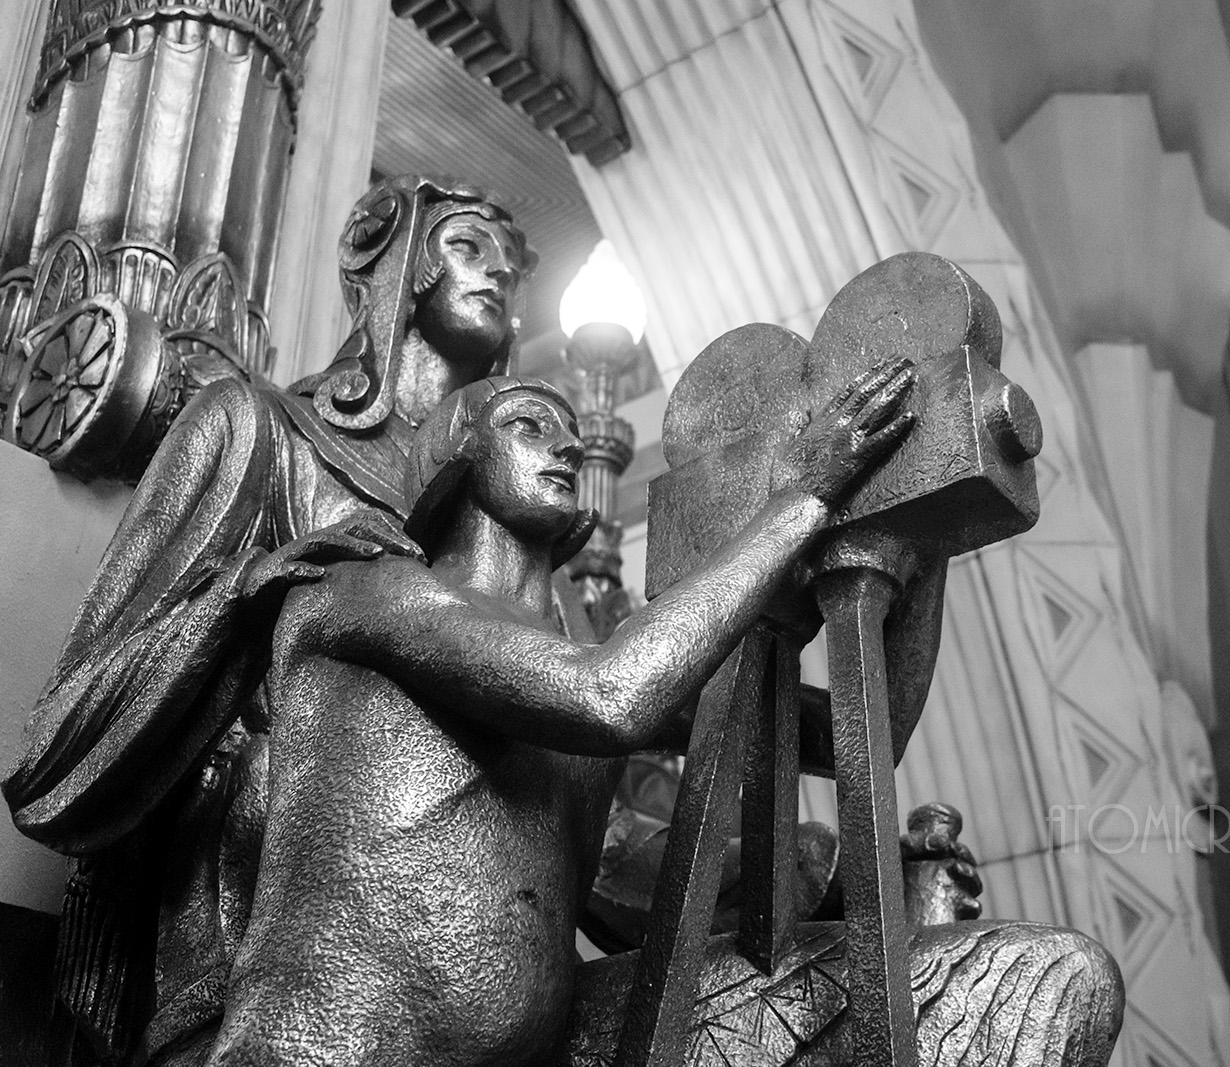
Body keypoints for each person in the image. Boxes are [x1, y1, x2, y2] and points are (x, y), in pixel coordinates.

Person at [207, 364, 917, 1065]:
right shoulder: (363, 593)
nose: (568, 447)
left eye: (574, 435)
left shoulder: (575, 668)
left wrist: (915, 524)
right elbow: (611, 696)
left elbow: (859, 730)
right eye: (528, 423)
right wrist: (800, 502)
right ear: (457, 451)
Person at [4, 176, 547, 1065]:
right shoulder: (254, 428)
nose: (499, 275)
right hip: (251, 960)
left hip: (458, 965)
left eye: (511, 265)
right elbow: (62, 742)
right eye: (466, 246)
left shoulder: (501, 523)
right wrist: (253, 593)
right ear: (397, 267)